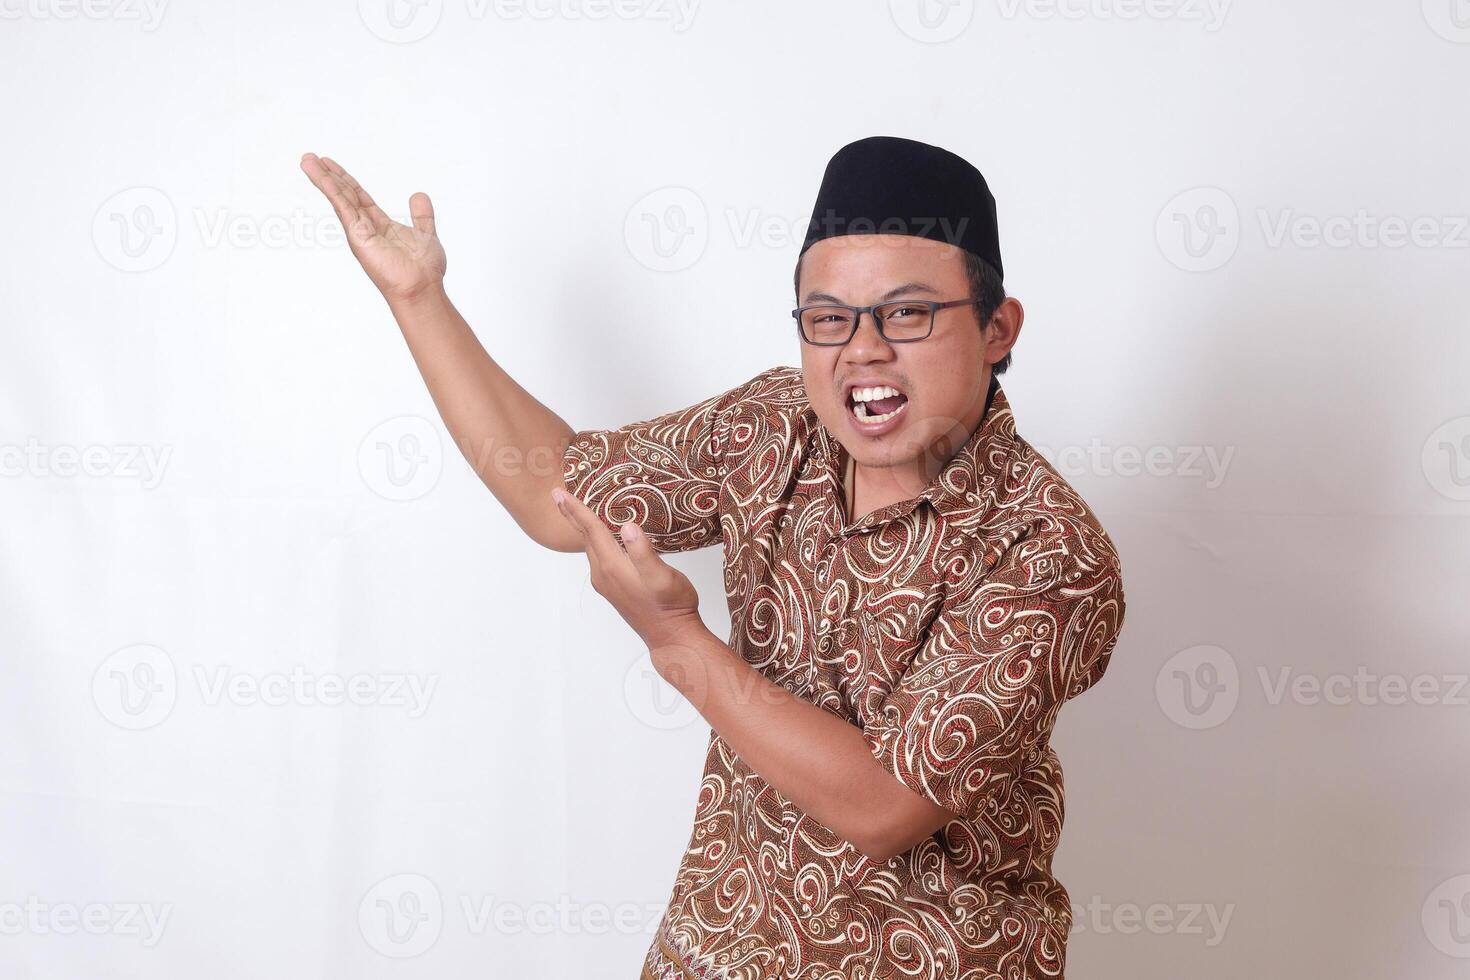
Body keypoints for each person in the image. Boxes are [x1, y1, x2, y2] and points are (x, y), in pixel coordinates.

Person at [301, 135, 1127, 980]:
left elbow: (884, 802)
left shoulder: (1048, 550)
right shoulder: (774, 428)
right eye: (830, 318)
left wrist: (675, 641)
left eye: (907, 313)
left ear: (997, 329)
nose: (864, 349)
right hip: (717, 954)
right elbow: (558, 492)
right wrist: (420, 299)